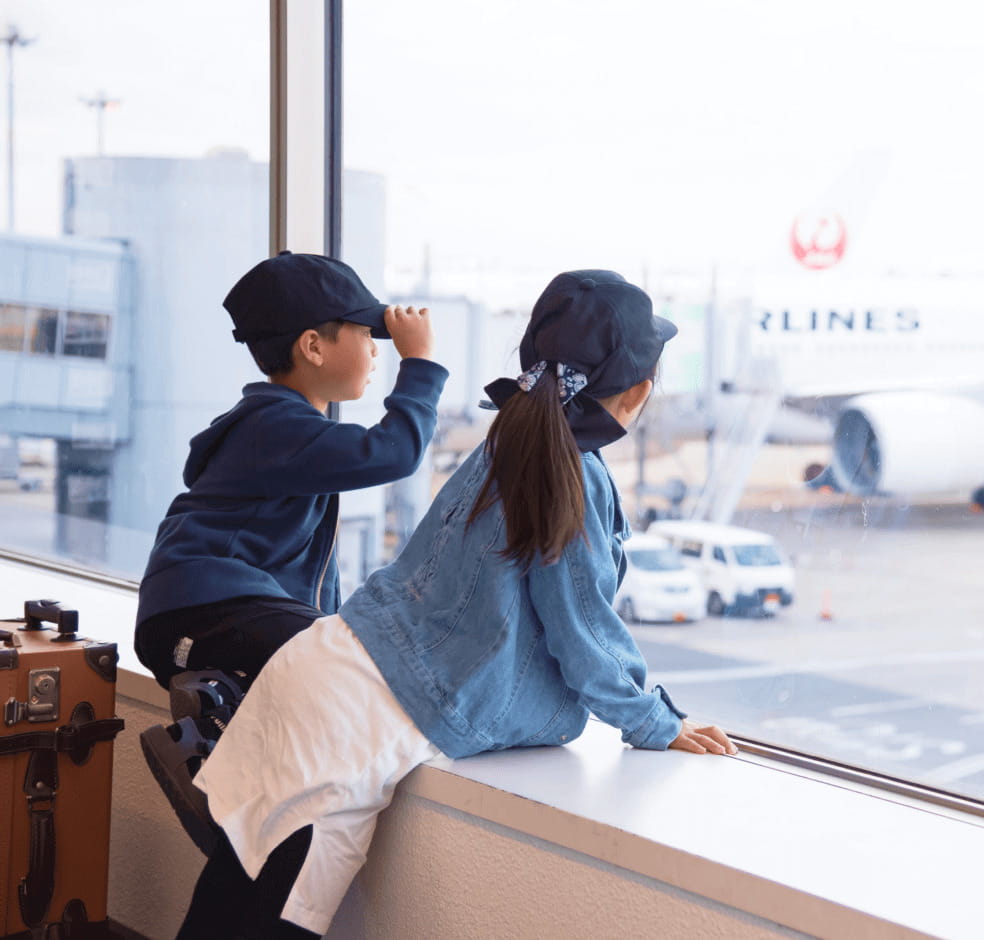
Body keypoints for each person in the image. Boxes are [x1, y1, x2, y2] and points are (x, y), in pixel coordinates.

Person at [175, 270, 736, 940]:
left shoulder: (508, 442)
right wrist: (653, 721)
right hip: (347, 728)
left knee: (222, 913)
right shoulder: (569, 470)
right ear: (639, 391)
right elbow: (584, 630)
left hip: (318, 672)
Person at [136, 251, 448, 854]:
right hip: (207, 608)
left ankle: (220, 733)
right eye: (366, 335)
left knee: (336, 661)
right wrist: (421, 364)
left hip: (205, 614)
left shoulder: (287, 432)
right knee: (355, 666)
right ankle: (203, 755)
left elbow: (311, 590)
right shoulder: (274, 427)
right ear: (313, 346)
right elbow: (394, 452)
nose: (376, 350)